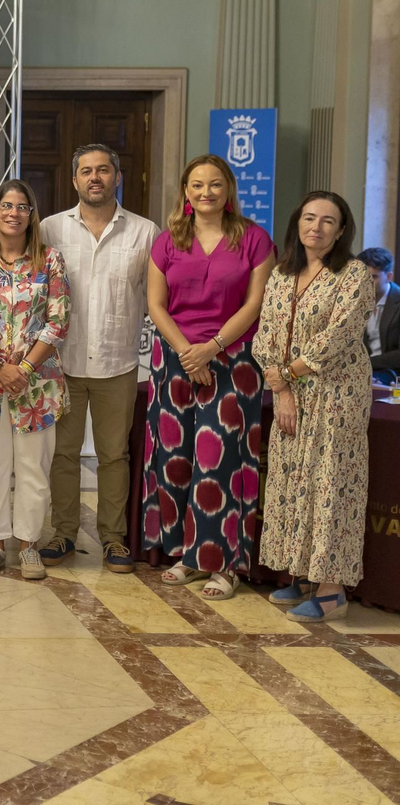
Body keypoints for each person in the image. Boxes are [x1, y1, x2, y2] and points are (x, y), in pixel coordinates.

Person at [143, 154, 274, 601]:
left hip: (233, 361)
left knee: (221, 461)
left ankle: (225, 562)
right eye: (197, 185)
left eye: (215, 184)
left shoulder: (254, 239)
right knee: (176, 459)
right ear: (185, 191)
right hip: (175, 358)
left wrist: (212, 348)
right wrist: (186, 352)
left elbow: (255, 304)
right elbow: (156, 304)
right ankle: (186, 554)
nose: (206, 193)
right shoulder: (166, 241)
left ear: (229, 190)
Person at [257, 192, 375, 622]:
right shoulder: (283, 272)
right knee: (292, 479)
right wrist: (282, 389)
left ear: (341, 230)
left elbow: (338, 336)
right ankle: (302, 574)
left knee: (330, 485)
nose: (317, 227)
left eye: (329, 221)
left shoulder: (355, 274)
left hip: (336, 395)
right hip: (291, 393)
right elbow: (266, 334)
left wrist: (286, 375)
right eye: (309, 217)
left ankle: (331, 589)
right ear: (297, 223)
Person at [39, 144, 157, 573]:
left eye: (103, 170)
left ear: (117, 176)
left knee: (113, 456)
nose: (95, 177)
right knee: (63, 455)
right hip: (61, 363)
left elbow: (155, 299)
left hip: (118, 362)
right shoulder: (50, 229)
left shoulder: (146, 232)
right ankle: (63, 532)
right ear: (74, 180)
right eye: (86, 171)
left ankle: (113, 538)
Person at [0, 180, 70, 580]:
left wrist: (23, 370)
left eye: (22, 206)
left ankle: (28, 545)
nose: (13, 213)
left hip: (37, 385)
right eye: (5, 205)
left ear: (31, 214)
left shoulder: (49, 260)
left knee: (33, 468)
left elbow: (59, 320)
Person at [357, 247, 400, 380]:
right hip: (362, 374)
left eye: (373, 277)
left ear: (388, 277)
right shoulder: (355, 302)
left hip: (393, 375)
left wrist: (366, 363)